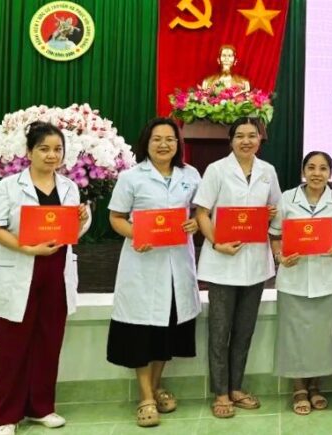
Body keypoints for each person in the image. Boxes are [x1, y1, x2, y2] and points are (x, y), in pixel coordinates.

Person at [0, 121, 91, 435]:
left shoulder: (69, 187)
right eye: (44, 149)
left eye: (57, 149)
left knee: (48, 343)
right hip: (19, 269)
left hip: (56, 271)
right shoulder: (8, 186)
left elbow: (71, 234)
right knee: (13, 348)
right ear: (29, 152)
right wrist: (28, 248)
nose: (51, 155)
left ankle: (41, 407)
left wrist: (82, 218)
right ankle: (5, 417)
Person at [105, 118, 201, 427]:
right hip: (143, 265)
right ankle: (146, 396)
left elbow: (200, 212)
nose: (164, 145)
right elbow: (116, 217)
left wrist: (195, 223)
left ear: (178, 144)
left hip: (177, 266)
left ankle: (157, 385)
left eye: (170, 139)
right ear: (146, 143)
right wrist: (136, 234)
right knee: (141, 333)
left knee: (166, 331)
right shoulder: (132, 177)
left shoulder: (191, 175)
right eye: (157, 139)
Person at [193, 117, 280, 418]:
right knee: (219, 332)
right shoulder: (217, 170)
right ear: (230, 141)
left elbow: (276, 212)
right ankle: (220, 393)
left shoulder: (268, 171)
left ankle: (237, 388)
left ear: (260, 139)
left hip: (255, 263)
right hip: (222, 262)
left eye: (252, 136)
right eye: (240, 136)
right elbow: (202, 213)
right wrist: (217, 243)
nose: (246, 141)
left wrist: (270, 214)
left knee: (244, 331)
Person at [269, 151, 332, 415]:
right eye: (312, 167)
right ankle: (299, 388)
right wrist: (280, 256)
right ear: (303, 171)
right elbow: (275, 236)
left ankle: (316, 386)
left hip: (327, 278)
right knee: (294, 337)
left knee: (322, 337)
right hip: (294, 278)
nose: (317, 173)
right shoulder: (287, 198)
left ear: (331, 173)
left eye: (323, 168)